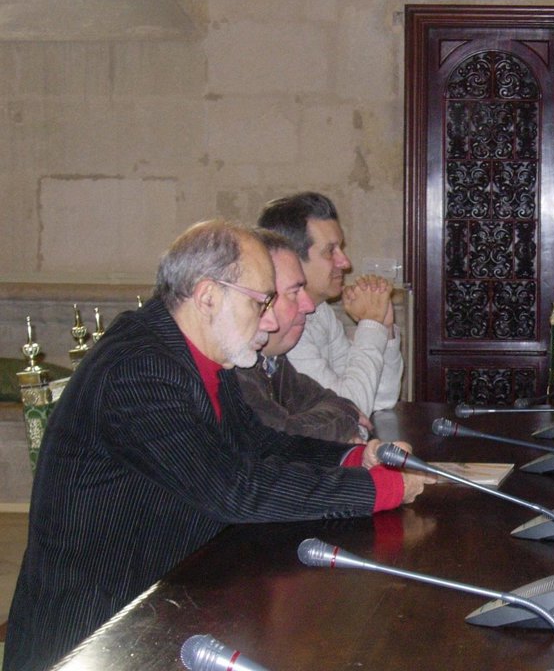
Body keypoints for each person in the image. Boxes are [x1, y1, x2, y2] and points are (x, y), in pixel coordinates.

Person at [3, 221, 428, 671]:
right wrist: (375, 490)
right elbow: (231, 489)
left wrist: (354, 458)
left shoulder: (202, 352)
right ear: (207, 296)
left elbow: (256, 443)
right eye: (260, 302)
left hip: (164, 602)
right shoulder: (138, 369)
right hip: (96, 633)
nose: (270, 321)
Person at [258, 192, 402, 415]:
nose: (345, 262)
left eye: (340, 249)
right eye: (330, 251)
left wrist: (384, 326)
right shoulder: (284, 329)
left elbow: (381, 398)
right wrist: (371, 324)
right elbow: (349, 410)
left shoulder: (320, 312)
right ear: (291, 259)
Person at [236, 229, 371, 443]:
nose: (308, 306)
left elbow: (332, 400)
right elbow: (281, 437)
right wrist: (346, 419)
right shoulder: (232, 369)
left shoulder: (272, 361)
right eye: (294, 292)